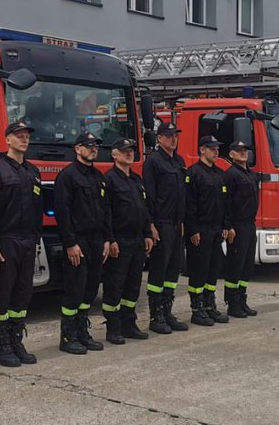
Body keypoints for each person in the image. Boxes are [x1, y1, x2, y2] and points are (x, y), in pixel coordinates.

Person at [0, 120, 44, 367]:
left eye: (26, 136)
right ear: (7, 140)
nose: (24, 139)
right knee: (2, 295)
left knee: (22, 294)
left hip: (28, 241)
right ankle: (2, 346)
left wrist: (37, 239)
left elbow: (37, 209)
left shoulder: (33, 172)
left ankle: (16, 340)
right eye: (18, 136)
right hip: (4, 242)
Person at [53, 132, 110, 354]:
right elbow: (62, 212)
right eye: (89, 146)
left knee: (89, 289)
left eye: (95, 146)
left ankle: (82, 332)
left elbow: (105, 210)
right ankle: (68, 336)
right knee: (74, 289)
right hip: (78, 241)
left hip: (96, 240)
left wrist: (106, 239)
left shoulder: (97, 176)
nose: (93, 149)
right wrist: (70, 243)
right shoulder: (67, 176)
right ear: (77, 149)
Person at [101, 138, 154, 344]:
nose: (129, 153)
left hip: (137, 240)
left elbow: (144, 209)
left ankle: (128, 323)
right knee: (115, 285)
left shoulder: (136, 179)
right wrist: (111, 239)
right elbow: (106, 213)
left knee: (133, 285)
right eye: (124, 151)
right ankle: (113, 328)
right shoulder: (109, 180)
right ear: (114, 155)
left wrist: (147, 233)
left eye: (131, 150)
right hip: (120, 241)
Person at [143, 123, 189, 334]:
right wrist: (151, 224)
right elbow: (150, 196)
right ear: (159, 138)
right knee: (159, 270)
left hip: (176, 224)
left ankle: (168, 312)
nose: (173, 139)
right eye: (169, 136)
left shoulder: (179, 161)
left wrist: (182, 223)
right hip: (161, 223)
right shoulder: (153, 161)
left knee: (173, 269)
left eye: (175, 136)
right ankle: (156, 316)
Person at [184, 135, 232, 326]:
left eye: (217, 148)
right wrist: (193, 229)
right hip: (200, 230)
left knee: (213, 270)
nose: (216, 151)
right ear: (202, 150)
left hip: (216, 230)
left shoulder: (219, 174)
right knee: (199, 270)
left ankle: (210, 305)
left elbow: (225, 204)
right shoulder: (193, 173)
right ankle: (197, 309)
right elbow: (189, 204)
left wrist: (226, 226)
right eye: (212, 148)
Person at [221, 139, 259, 318]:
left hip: (250, 225)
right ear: (231, 154)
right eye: (239, 150)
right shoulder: (230, 175)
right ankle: (232, 303)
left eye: (245, 150)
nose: (243, 153)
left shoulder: (250, 174)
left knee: (247, 265)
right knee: (235, 265)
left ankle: (242, 299)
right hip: (237, 226)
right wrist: (228, 226)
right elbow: (226, 203)